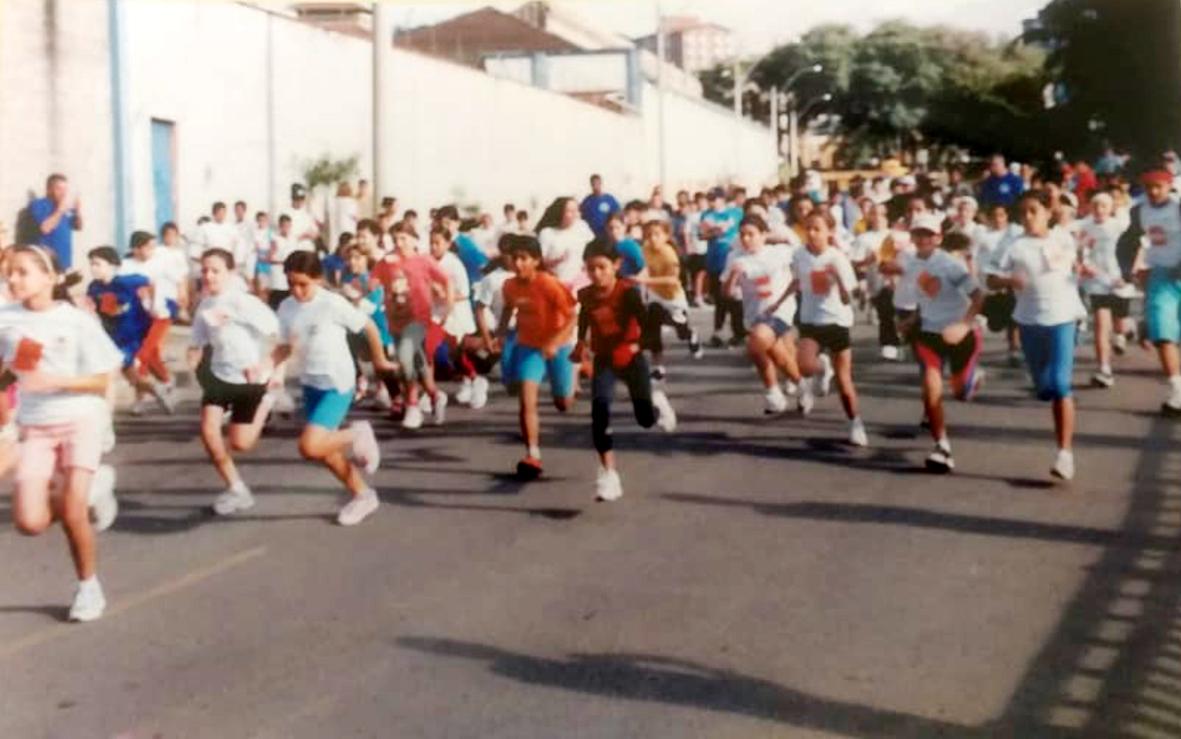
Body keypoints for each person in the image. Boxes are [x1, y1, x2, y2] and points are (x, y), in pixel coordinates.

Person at [1, 244, 121, 621]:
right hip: (35, 425)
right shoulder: (5, 318)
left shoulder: (76, 321)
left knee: (71, 509)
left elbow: (103, 379)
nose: (12, 277)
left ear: (50, 277)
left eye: (22, 271)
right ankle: (94, 489)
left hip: (80, 417)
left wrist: (57, 380)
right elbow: (12, 368)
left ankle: (88, 587)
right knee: (29, 522)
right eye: (9, 271)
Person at [273, 251, 390, 526]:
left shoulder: (332, 304)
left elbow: (369, 327)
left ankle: (359, 432)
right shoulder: (287, 307)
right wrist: (267, 371)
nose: (297, 290)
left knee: (309, 446)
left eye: (303, 284)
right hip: (311, 382)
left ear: (318, 279)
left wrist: (379, 360)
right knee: (325, 452)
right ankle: (363, 495)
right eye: (291, 284)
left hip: (337, 383)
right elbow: (284, 346)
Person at [988, 190, 1085, 480]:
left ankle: (1064, 454)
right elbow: (990, 277)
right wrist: (1007, 279)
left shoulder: (1064, 238)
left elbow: (1075, 265)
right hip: (1029, 322)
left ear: (1047, 213)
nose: (1028, 218)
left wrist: (1082, 268)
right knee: (1045, 389)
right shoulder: (1014, 246)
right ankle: (1049, 395)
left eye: (1034, 211)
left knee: (1060, 384)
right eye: (1023, 213)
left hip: (1064, 318)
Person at [572, 238, 676, 502]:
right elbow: (585, 315)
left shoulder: (628, 292)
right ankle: (609, 474)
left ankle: (657, 400)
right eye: (590, 269)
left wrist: (634, 347)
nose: (596, 274)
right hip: (605, 358)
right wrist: (581, 343)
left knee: (645, 420)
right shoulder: (585, 294)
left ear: (616, 265)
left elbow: (649, 330)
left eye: (601, 268)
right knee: (600, 410)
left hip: (631, 357)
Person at [188, 249, 280, 515]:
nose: (208, 275)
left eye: (215, 270)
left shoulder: (243, 302)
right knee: (209, 432)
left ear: (230, 273)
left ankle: (266, 401)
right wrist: (192, 356)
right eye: (205, 270)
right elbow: (197, 341)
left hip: (247, 379)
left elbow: (277, 332)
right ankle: (237, 488)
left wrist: (269, 366)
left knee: (241, 443)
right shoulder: (204, 305)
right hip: (219, 377)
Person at [896, 216, 985, 473]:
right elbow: (925, 301)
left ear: (938, 238)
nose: (923, 239)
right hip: (929, 335)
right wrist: (911, 320)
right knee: (930, 387)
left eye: (928, 234)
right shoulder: (912, 265)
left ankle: (973, 378)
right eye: (918, 234)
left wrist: (964, 325)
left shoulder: (950, 265)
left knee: (960, 393)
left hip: (960, 333)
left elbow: (979, 296)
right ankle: (941, 446)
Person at [496, 235, 577, 480]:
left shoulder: (549, 284)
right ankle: (533, 453)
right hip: (529, 346)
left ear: (536, 261)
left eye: (524, 259)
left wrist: (555, 342)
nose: (518, 263)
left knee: (563, 403)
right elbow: (509, 308)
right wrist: (500, 333)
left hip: (558, 345)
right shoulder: (509, 285)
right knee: (526, 399)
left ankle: (575, 370)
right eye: (515, 258)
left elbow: (573, 316)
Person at [784, 211, 867, 446]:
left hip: (837, 322)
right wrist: (779, 302)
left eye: (817, 229)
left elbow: (846, 298)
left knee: (844, 380)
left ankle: (855, 423)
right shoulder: (799, 255)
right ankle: (823, 368)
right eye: (807, 228)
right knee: (804, 365)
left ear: (829, 232)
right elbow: (797, 281)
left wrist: (837, 279)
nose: (811, 233)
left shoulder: (837, 258)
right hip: (810, 319)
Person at [372, 223, 452, 429]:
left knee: (406, 355)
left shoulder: (423, 260)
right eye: (396, 239)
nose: (399, 244)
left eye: (404, 239)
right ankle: (435, 395)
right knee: (418, 362)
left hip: (419, 318)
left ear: (415, 239)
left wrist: (447, 306)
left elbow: (446, 280)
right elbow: (372, 283)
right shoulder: (387, 261)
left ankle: (413, 405)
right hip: (395, 319)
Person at [723, 215, 804, 415]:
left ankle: (773, 393)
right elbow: (726, 293)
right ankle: (802, 386)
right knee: (778, 356)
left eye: (751, 234)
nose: (746, 239)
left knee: (756, 341)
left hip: (780, 309)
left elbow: (804, 257)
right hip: (755, 314)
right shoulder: (734, 257)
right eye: (742, 235)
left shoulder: (780, 252)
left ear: (764, 235)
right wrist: (734, 275)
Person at [1117, 169, 1181, 414]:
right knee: (1163, 334)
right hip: (1160, 276)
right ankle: (1177, 390)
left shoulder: (1177, 208)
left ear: (1168, 187)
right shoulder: (1139, 211)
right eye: (1149, 187)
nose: (1154, 192)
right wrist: (1127, 270)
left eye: (1159, 187)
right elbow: (1127, 242)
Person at [86, 247, 172, 414]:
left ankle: (103, 409)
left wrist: (153, 304)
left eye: (97, 264)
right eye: (91, 264)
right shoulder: (94, 287)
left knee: (114, 370)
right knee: (130, 375)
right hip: (113, 337)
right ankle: (154, 390)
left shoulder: (127, 281)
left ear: (112, 266)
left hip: (134, 335)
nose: (93, 268)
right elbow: (93, 308)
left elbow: (151, 281)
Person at [119, 230, 187, 415]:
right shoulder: (125, 265)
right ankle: (165, 382)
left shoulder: (160, 262)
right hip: (137, 317)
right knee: (151, 354)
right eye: (148, 247)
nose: (152, 250)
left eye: (153, 246)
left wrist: (182, 297)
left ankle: (143, 396)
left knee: (144, 352)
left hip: (161, 313)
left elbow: (179, 279)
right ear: (136, 248)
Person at [1078, 192, 1131, 388]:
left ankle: (1125, 331)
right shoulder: (1085, 226)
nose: (1099, 210)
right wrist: (1086, 266)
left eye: (1103, 206)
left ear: (1110, 209)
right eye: (1096, 206)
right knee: (1101, 325)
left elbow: (1136, 247)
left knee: (1120, 325)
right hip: (1097, 280)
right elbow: (1081, 251)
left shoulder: (1119, 225)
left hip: (1120, 281)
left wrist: (1127, 274)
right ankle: (1104, 369)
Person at [638, 219, 702, 377]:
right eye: (649, 234)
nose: (653, 238)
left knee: (681, 331)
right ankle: (658, 367)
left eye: (657, 234)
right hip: (655, 295)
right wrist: (641, 279)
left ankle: (690, 334)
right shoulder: (645, 248)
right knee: (654, 327)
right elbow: (644, 269)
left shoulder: (669, 255)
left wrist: (645, 281)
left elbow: (673, 279)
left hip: (673, 297)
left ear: (666, 236)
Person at [976, 202, 1023, 366]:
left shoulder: (1014, 234)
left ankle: (1014, 349)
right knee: (991, 322)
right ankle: (971, 349)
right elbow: (976, 258)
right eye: (994, 216)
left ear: (1007, 216)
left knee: (1013, 317)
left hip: (1008, 281)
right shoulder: (982, 235)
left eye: (1001, 215)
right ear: (988, 218)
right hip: (987, 282)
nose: (998, 219)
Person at [700, 188, 744, 347]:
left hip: (732, 259)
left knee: (735, 298)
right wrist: (714, 232)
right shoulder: (706, 215)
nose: (713, 202)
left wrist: (719, 229)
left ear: (723, 199)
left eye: (715, 198)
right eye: (710, 198)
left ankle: (738, 332)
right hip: (715, 260)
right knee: (719, 299)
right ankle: (717, 332)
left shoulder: (735, 212)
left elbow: (741, 230)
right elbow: (702, 234)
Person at [537, 197, 595, 291]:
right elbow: (540, 261)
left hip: (581, 281)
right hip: (557, 282)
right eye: (570, 211)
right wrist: (557, 260)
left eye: (576, 210)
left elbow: (594, 248)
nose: (575, 214)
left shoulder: (582, 226)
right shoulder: (547, 233)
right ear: (560, 212)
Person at [29, 173, 83, 270]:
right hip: (47, 261)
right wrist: (60, 210)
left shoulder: (66, 207)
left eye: (65, 189)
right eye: (59, 189)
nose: (63, 193)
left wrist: (78, 211)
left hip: (64, 262)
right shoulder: (39, 204)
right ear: (49, 190)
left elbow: (79, 227)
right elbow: (45, 228)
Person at [282, 184, 320, 254]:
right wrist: (300, 236)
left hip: (308, 249)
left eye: (302, 199)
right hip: (292, 250)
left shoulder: (307, 213)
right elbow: (284, 233)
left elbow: (315, 232)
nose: (300, 202)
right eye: (297, 199)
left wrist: (311, 235)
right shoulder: (285, 212)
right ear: (292, 198)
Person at [605, 214, 645, 278]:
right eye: (610, 228)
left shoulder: (630, 246)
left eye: (617, 227)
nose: (614, 231)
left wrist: (634, 279)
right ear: (606, 228)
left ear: (624, 227)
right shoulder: (607, 245)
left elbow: (642, 266)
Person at [331, 182, 359, 251]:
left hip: (336, 228)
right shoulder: (351, 202)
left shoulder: (334, 201)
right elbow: (355, 217)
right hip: (349, 228)